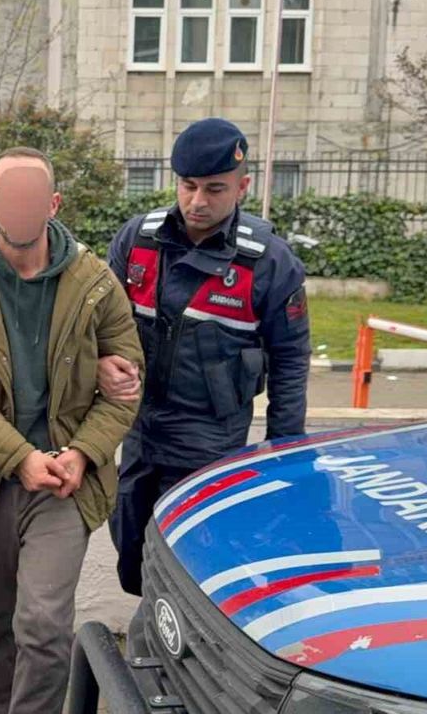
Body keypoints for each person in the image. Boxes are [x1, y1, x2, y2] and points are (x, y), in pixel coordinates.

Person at [0, 147, 142, 714]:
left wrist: (85, 452)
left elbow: (126, 388)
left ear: (54, 204)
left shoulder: (95, 282)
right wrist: (19, 457)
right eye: (9, 198)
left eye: (32, 198)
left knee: (43, 626)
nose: (20, 209)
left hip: (66, 480)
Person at [100, 118, 312, 596]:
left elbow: (290, 360)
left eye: (214, 189)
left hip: (210, 443)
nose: (198, 201)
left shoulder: (269, 262)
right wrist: (100, 364)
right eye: (188, 186)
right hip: (138, 430)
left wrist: (283, 452)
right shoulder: (137, 240)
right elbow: (100, 325)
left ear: (242, 187)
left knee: (190, 569)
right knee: (132, 553)